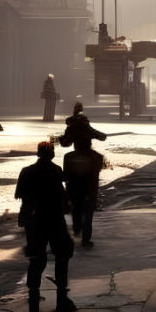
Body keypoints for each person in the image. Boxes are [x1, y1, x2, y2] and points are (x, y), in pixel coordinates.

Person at [15, 140, 77, 312]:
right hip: (54, 221)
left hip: (34, 223)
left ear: (38, 153)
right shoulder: (56, 171)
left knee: (36, 259)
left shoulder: (26, 172)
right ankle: (62, 298)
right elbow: (63, 198)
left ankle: (33, 297)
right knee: (62, 256)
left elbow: (21, 197)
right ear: (51, 155)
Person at [59, 102, 107, 247]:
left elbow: (65, 143)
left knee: (76, 202)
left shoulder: (71, 126)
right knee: (89, 204)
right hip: (89, 160)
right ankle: (86, 236)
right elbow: (101, 136)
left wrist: (61, 138)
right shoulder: (85, 125)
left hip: (74, 164)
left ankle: (77, 227)